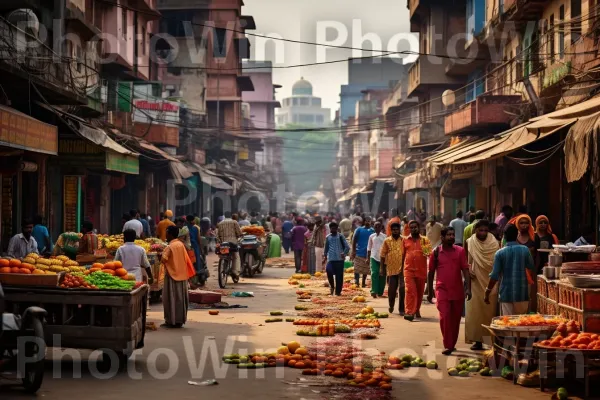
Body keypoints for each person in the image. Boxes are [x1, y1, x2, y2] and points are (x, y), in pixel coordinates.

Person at [427, 227, 471, 355]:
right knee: (445, 316)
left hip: (457, 290)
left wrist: (468, 288)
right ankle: (448, 345)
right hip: (442, 290)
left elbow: (465, 270)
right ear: (442, 238)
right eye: (449, 235)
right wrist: (430, 292)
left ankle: (452, 343)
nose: (452, 237)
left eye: (453, 234)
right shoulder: (435, 252)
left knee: (455, 319)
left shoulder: (460, 251)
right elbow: (430, 273)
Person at [485, 224, 535, 316]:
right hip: (522, 293)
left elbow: (494, 276)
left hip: (506, 294)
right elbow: (531, 266)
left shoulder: (500, 253)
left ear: (504, 236)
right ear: (517, 235)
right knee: (521, 323)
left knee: (508, 323)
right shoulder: (525, 250)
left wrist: (487, 291)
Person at [464, 220, 499, 351]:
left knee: (489, 311)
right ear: (475, 230)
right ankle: (477, 341)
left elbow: (497, 262)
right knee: (474, 311)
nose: (483, 233)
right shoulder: (470, 241)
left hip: (490, 281)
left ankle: (490, 341)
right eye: (480, 230)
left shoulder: (494, 242)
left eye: (485, 230)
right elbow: (466, 260)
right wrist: (468, 269)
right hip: (475, 281)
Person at [161, 226, 194, 328]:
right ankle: (180, 320)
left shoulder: (169, 247)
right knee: (180, 299)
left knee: (170, 299)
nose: (165, 234)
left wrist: (159, 255)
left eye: (166, 232)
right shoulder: (180, 244)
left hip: (172, 276)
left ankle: (171, 321)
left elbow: (163, 259)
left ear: (170, 234)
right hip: (182, 275)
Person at [402, 220, 431, 321]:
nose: (414, 229)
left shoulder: (425, 240)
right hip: (408, 270)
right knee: (410, 291)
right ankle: (409, 312)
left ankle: (417, 309)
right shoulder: (405, 240)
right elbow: (403, 255)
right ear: (409, 229)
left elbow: (428, 254)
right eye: (412, 227)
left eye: (415, 227)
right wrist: (401, 269)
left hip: (421, 270)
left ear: (419, 228)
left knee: (419, 292)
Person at [380, 222, 404, 314]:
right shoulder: (387, 241)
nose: (395, 231)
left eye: (397, 229)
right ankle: (391, 305)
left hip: (402, 269)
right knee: (392, 290)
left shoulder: (404, 240)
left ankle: (401, 309)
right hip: (391, 269)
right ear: (391, 230)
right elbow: (382, 255)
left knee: (402, 289)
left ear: (399, 230)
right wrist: (382, 269)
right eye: (393, 230)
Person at [323, 222, 350, 296]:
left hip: (339, 260)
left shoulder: (340, 236)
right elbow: (326, 248)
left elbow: (347, 247)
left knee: (339, 277)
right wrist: (325, 257)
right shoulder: (328, 237)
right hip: (330, 259)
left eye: (334, 228)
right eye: (331, 228)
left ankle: (338, 292)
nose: (333, 230)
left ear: (337, 228)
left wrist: (343, 253)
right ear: (330, 228)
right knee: (329, 271)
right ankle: (332, 286)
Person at [217, 211, 243, 277]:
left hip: (223, 244)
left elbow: (217, 235)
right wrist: (239, 236)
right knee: (235, 256)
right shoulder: (234, 222)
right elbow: (239, 233)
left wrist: (220, 241)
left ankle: (223, 267)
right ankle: (235, 272)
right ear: (231, 216)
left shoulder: (220, 223)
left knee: (223, 255)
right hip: (232, 244)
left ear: (224, 216)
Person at [352, 216, 374, 287]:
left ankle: (363, 282)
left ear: (371, 222)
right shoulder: (359, 230)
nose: (368, 222)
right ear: (364, 222)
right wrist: (353, 250)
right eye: (366, 220)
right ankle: (357, 281)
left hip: (367, 253)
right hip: (358, 252)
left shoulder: (372, 230)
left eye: (369, 221)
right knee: (357, 268)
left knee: (365, 269)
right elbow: (354, 240)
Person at [367, 221, 387, 298]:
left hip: (383, 258)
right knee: (374, 273)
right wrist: (367, 258)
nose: (377, 228)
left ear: (381, 227)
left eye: (379, 226)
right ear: (374, 227)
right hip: (374, 257)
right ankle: (374, 291)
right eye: (375, 226)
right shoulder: (371, 236)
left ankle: (380, 291)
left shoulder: (385, 237)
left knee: (382, 274)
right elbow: (369, 247)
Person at [187, 215, 205, 281]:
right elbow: (198, 239)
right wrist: (201, 247)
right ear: (192, 220)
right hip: (194, 246)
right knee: (197, 259)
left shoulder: (185, 228)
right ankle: (197, 270)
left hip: (187, 246)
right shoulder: (196, 228)